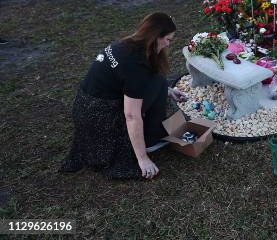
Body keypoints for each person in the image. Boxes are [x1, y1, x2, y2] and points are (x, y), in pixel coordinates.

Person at [61, 12, 186, 180]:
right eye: (168, 40)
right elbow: (131, 115)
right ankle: (150, 140)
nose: (168, 45)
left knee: (160, 83)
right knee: (158, 83)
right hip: (99, 117)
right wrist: (142, 159)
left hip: (84, 106)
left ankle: (154, 129)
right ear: (156, 37)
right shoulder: (136, 66)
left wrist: (167, 91)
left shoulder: (126, 44)